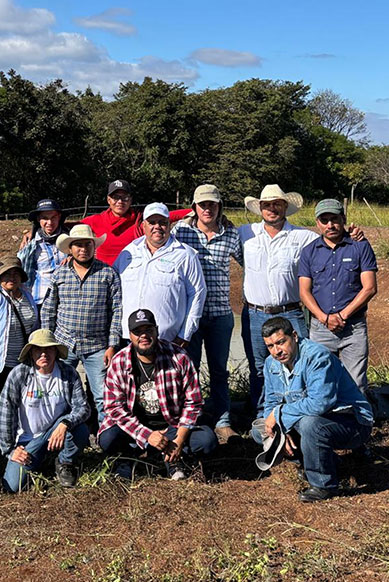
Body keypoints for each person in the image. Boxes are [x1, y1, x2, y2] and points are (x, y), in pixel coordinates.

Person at [250, 317, 374, 502]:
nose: (277, 351)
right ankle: (324, 463)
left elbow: (320, 403)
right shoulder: (271, 364)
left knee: (310, 424)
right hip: (316, 420)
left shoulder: (317, 357)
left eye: (281, 342)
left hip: (352, 422)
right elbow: (271, 402)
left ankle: (324, 485)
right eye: (270, 346)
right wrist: (278, 429)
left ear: (294, 336)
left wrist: (279, 416)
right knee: (260, 430)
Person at [98, 309, 217, 480]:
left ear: (157, 330)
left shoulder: (179, 357)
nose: (143, 336)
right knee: (108, 438)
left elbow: (194, 403)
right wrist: (147, 435)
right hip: (136, 427)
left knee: (207, 441)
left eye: (148, 330)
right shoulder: (118, 362)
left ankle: (171, 455)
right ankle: (128, 459)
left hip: (172, 426)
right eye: (137, 332)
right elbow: (113, 408)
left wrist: (180, 438)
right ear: (130, 335)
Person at [172, 184, 244, 443]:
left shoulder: (231, 235)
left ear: (219, 206)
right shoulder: (180, 231)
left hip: (220, 313)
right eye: (202, 204)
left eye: (212, 204)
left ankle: (222, 421)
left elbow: (252, 262)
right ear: (194, 207)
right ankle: (192, 418)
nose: (207, 209)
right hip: (189, 315)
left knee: (219, 370)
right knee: (188, 369)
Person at [238, 185, 318, 414]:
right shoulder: (245, 233)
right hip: (255, 313)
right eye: (266, 205)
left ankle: (300, 410)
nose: (271, 209)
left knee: (300, 362)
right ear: (260, 208)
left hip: (291, 312)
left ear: (285, 207)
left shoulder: (302, 237)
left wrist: (353, 236)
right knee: (259, 366)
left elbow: (328, 246)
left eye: (276, 204)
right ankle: (263, 415)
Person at [41, 224, 122, 423]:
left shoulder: (108, 274)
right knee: (59, 393)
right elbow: (48, 310)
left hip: (97, 346)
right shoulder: (59, 275)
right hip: (64, 344)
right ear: (70, 248)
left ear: (94, 246)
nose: (83, 249)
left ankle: (107, 437)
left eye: (87, 244)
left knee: (103, 396)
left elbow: (117, 311)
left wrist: (112, 345)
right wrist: (47, 344)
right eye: (78, 245)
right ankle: (60, 434)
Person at [0, 329, 90, 492]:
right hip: (28, 439)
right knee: (12, 486)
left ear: (56, 351)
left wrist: (65, 424)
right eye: (38, 349)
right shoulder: (19, 375)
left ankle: (65, 462)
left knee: (81, 431)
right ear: (31, 352)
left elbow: (83, 407)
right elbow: (5, 413)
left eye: (49, 348)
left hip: (58, 431)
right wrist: (10, 451)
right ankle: (41, 460)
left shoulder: (68, 373)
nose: (43, 353)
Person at [298, 199, 378, 391]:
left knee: (356, 382)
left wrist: (343, 315)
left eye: (334, 219)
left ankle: (358, 420)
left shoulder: (360, 246)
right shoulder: (309, 252)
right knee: (322, 381)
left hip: (353, 327)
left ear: (343, 219)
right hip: (320, 328)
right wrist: (324, 318)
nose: (330, 225)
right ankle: (328, 420)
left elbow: (369, 288)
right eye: (324, 220)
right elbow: (304, 291)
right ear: (317, 223)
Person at [113, 202, 205, 347]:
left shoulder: (186, 255)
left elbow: (197, 294)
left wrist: (185, 334)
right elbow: (112, 288)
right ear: (143, 226)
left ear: (169, 225)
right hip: (128, 338)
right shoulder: (128, 252)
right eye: (152, 222)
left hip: (168, 339)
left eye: (162, 222)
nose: (157, 227)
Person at [0, 255, 40, 456]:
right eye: (6, 274)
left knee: (9, 403)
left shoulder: (28, 297)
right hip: (0, 364)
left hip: (23, 364)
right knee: (5, 403)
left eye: (15, 273)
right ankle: (0, 447)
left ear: (21, 276)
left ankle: (5, 443)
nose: (11, 277)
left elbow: (35, 328)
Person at [80, 180, 191, 265]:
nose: (120, 202)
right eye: (115, 197)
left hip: (133, 275)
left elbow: (171, 216)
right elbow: (70, 229)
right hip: (105, 276)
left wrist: (197, 211)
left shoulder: (140, 220)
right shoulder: (96, 220)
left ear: (131, 199)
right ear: (108, 199)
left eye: (125, 197)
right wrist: (70, 254)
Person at [18, 198, 69, 307]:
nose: (49, 223)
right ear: (38, 219)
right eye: (45, 218)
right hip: (38, 300)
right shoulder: (30, 244)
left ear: (59, 217)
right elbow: (21, 271)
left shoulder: (70, 240)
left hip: (65, 301)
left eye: (53, 217)